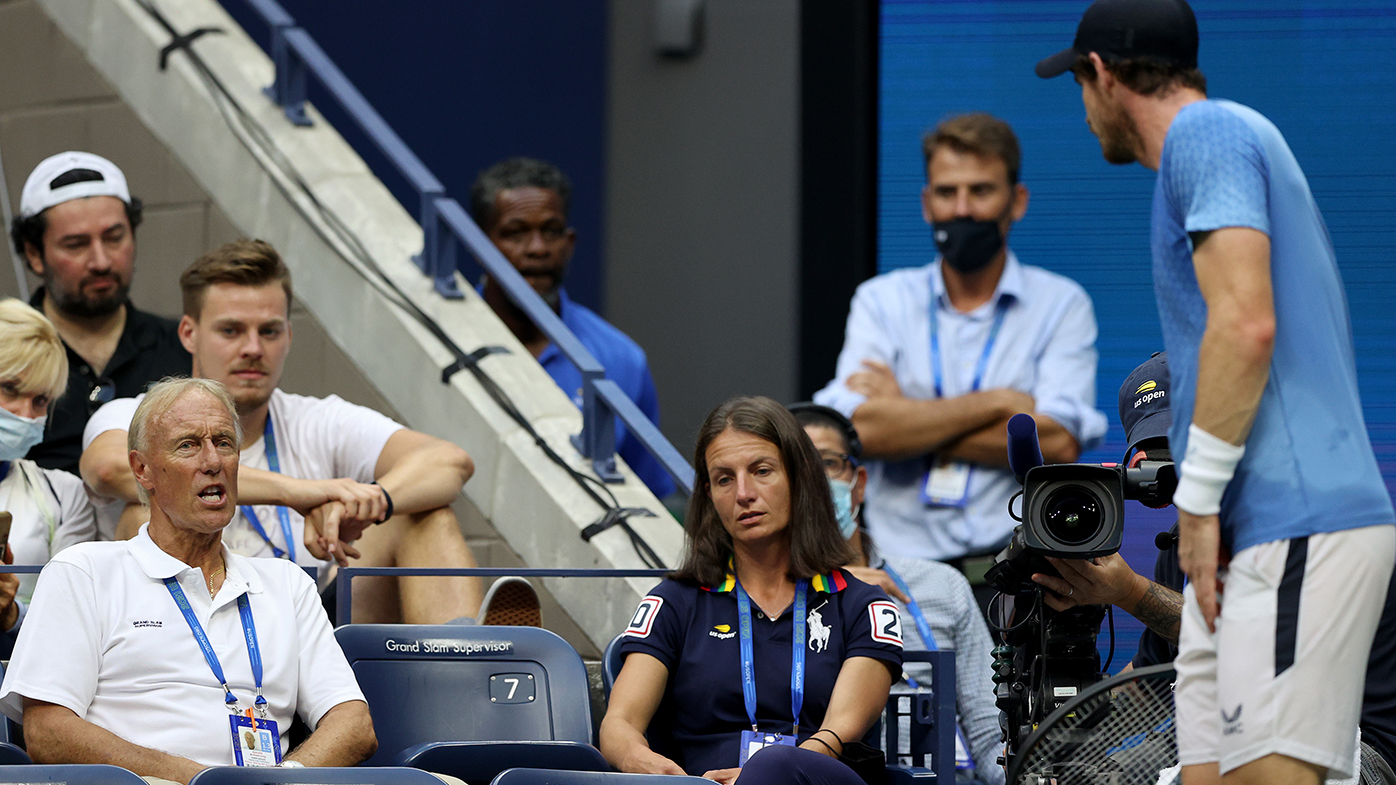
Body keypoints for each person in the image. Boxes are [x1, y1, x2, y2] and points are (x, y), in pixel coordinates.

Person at [1037, 2, 1396, 783]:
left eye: (1079, 84)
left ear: (1100, 74)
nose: (1085, 107)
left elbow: (1247, 325)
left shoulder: (1208, 133)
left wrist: (1196, 504)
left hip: (1294, 524)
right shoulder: (1211, 152)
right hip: (1241, 544)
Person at [80, 240, 489, 625]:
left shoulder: (317, 419)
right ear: (189, 333)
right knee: (145, 509)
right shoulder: (138, 414)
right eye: (231, 330)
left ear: (289, 336)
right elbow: (110, 468)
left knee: (422, 513)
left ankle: (462, 680)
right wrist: (296, 493)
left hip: (312, 624)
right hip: (192, 640)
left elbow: (450, 461)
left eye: (269, 331)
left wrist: (368, 502)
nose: (254, 348)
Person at [1036, 352, 1396, 784]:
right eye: (1157, 456)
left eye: (1185, 448)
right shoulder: (1183, 540)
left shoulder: (1316, 520)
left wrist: (1127, 591)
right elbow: (1149, 685)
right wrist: (1059, 723)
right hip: (1218, 729)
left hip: (1351, 744)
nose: (1175, 473)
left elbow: (1254, 651)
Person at [0, 378, 376, 783]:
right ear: (142, 470)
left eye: (225, 443)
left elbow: (354, 724)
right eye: (188, 445)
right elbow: (48, 732)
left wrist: (284, 779)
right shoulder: (84, 571)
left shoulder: (286, 583)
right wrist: (202, 781)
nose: (213, 461)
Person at [814, 113, 1107, 610]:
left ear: (1016, 201)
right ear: (927, 205)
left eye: (981, 191)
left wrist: (905, 412)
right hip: (894, 577)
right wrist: (1000, 404)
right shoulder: (880, 301)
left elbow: (1057, 441)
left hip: (1016, 575)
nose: (963, 209)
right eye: (947, 193)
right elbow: (860, 433)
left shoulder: (1061, 304)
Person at [600, 396, 903, 784]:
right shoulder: (674, 602)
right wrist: (657, 769)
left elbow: (836, 734)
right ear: (709, 494)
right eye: (724, 478)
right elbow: (618, 726)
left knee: (775, 766)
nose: (743, 493)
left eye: (761, 471)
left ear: (799, 477)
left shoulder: (862, 605)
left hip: (811, 778)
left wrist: (752, 779)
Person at [791, 402, 1002, 784]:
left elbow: (989, 734)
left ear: (859, 483)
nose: (813, 482)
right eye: (795, 468)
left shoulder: (941, 585)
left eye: (827, 463)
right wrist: (836, 590)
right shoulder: (762, 599)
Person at [469, 157, 674, 500]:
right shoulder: (438, 334)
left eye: (551, 231)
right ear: (479, 245)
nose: (537, 249)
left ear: (570, 242)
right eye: (515, 233)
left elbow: (649, 495)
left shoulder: (621, 359)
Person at [9, 151, 191, 486]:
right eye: (76, 244)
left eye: (114, 237)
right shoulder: (7, 353)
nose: (101, 261)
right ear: (34, 254)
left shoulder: (183, 348)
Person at [0, 299, 98, 655]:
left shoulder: (64, 493)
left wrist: (10, 616)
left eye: (40, 400)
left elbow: (68, 625)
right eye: (9, 388)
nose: (25, 414)